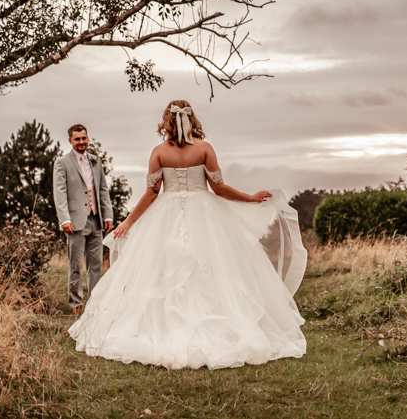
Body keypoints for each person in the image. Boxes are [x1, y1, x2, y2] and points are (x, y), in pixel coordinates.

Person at [68, 101, 307, 370]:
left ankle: (162, 326)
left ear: (166, 121)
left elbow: (151, 193)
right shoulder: (205, 148)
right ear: (191, 120)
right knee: (214, 268)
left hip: (165, 216)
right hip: (204, 214)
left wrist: (130, 221)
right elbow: (219, 189)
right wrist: (249, 198)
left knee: (161, 269)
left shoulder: (159, 152)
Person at [53, 124, 114, 315]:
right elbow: (60, 192)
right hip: (75, 221)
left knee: (96, 265)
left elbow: (103, 189)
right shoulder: (62, 162)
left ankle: (94, 305)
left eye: (84, 138)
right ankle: (76, 304)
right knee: (75, 264)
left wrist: (108, 215)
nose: (81, 142)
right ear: (70, 141)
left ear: (88, 139)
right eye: (77, 139)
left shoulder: (95, 161)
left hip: (96, 220)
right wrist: (64, 219)